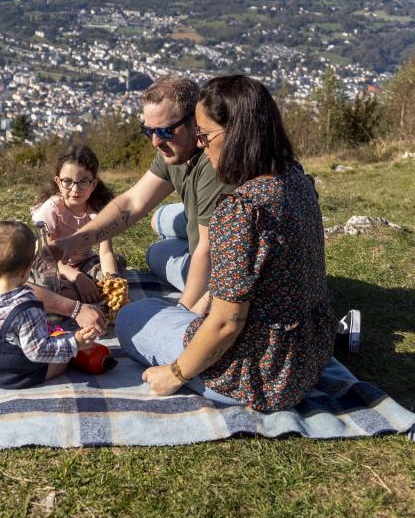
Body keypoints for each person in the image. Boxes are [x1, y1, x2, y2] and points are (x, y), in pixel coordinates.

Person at [117, 75, 338, 412]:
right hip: (307, 358)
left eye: (205, 137)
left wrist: (175, 374)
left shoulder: (242, 210)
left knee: (134, 316)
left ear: (237, 134)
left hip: (261, 377)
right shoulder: (295, 178)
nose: (202, 146)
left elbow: (226, 323)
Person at [56, 76, 233, 313]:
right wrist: (78, 239)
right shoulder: (173, 151)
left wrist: (182, 315)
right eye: (147, 131)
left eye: (165, 131)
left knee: (136, 312)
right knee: (155, 243)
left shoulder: (213, 164)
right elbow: (132, 202)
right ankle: (177, 223)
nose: (156, 141)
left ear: (196, 121)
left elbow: (207, 250)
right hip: (198, 226)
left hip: (213, 255)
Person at [0, 220, 99, 388]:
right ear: (26, 271)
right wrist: (75, 343)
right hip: (15, 375)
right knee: (64, 361)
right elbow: (38, 351)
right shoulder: (27, 307)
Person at [30, 144, 125, 305]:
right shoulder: (51, 210)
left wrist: (113, 285)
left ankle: (88, 290)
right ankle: (76, 292)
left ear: (94, 184)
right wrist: (78, 278)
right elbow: (45, 257)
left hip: (86, 262)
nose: (75, 189)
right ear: (58, 182)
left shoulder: (98, 212)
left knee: (111, 273)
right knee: (54, 289)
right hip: (54, 266)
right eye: (68, 181)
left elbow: (106, 252)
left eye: (84, 182)